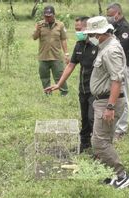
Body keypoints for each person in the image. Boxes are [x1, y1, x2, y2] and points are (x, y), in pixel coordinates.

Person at [84, 16, 129, 189]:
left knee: (99, 142)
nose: (90, 37)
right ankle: (110, 173)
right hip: (102, 100)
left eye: (92, 34)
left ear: (102, 33)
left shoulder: (111, 50)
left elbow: (117, 80)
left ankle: (122, 175)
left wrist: (110, 107)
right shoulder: (106, 46)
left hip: (107, 102)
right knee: (105, 139)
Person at [44, 16, 97, 153]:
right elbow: (71, 65)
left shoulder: (98, 46)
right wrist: (59, 84)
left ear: (88, 28)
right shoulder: (79, 45)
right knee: (85, 118)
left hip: (96, 90)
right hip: (83, 88)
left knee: (93, 118)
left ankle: (98, 147)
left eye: (79, 29)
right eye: (75, 29)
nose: (77, 32)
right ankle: (84, 144)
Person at [106, 3, 129, 139]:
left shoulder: (126, 29)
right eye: (108, 16)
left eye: (111, 15)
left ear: (118, 13)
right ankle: (112, 125)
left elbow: (118, 48)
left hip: (124, 67)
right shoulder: (113, 26)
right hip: (113, 66)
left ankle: (121, 129)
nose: (109, 18)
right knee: (113, 95)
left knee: (124, 97)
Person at [32, 5, 69, 96]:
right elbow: (34, 37)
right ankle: (47, 94)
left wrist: (66, 53)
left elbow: (63, 39)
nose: (47, 18)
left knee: (59, 76)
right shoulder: (39, 24)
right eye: (45, 16)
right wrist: (37, 29)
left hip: (56, 56)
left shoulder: (60, 25)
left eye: (49, 16)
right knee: (44, 77)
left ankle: (64, 93)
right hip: (43, 56)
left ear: (54, 15)